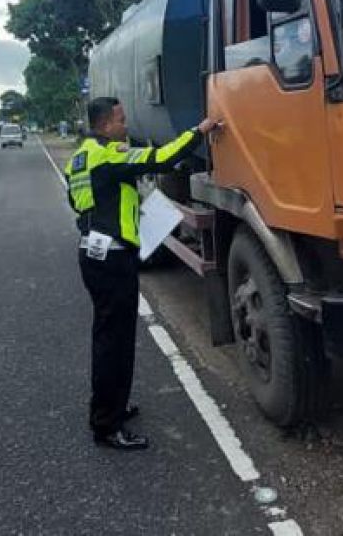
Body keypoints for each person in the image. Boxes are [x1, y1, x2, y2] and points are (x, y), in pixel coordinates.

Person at [65, 97, 219, 450]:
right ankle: (107, 426)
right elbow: (162, 158)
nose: (126, 125)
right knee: (114, 344)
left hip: (93, 253)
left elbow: (77, 203)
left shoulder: (81, 157)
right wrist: (201, 131)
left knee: (108, 338)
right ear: (105, 126)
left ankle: (110, 408)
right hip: (112, 259)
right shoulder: (109, 156)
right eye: (120, 120)